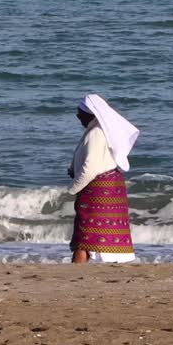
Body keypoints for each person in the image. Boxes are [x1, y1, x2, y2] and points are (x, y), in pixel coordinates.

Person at [66, 94, 140, 263]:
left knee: (83, 238)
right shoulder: (100, 130)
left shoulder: (96, 133)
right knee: (98, 236)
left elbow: (90, 167)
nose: (78, 117)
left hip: (96, 188)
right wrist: (72, 168)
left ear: (90, 114)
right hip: (110, 187)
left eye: (80, 113)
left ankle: (76, 272)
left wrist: (72, 188)